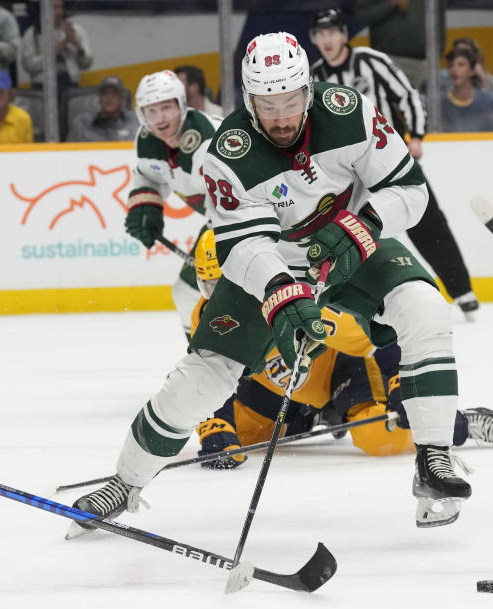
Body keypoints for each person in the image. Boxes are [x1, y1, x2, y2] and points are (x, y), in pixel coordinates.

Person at [70, 32, 472, 534]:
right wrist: (282, 294)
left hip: (352, 240)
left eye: (290, 101)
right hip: (273, 259)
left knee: (425, 308)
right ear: (247, 98)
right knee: (203, 376)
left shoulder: (350, 112)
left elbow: (409, 190)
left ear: (308, 88)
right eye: (267, 104)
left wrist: (366, 223)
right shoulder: (229, 151)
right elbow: (240, 247)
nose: (281, 117)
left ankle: (434, 460)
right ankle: (125, 484)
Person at [187, 230, 493, 468]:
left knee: (379, 438)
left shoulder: (300, 303)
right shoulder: (208, 315)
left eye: (226, 284)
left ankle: (459, 422)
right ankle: (307, 418)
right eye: (210, 285)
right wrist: (214, 423)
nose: (219, 297)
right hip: (281, 390)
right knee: (237, 437)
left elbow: (382, 336)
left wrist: (399, 383)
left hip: (339, 373)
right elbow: (210, 374)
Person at [309, 8, 479, 318]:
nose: (327, 40)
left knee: (428, 222)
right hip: (347, 172)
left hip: (390, 159)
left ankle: (463, 291)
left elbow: (408, 94)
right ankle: (364, 303)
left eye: (332, 32)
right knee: (356, 229)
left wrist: (415, 134)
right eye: (320, 35)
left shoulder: (371, 60)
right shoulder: (315, 76)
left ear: (344, 35)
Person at [121, 69, 223, 338]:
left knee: (199, 292)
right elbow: (148, 175)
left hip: (254, 219)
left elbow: (243, 193)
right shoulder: (148, 142)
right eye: (151, 111)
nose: (160, 119)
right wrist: (146, 206)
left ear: (182, 105)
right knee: (188, 293)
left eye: (166, 108)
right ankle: (205, 359)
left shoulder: (209, 139)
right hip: (219, 222)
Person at [353, 0, 444, 92]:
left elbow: (439, 16)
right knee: (388, 104)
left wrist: (438, 52)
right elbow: (363, 16)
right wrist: (391, 4)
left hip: (422, 63)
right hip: (388, 60)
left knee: (424, 104)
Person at [21, 0, 93, 93]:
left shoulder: (76, 30)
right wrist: (62, 44)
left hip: (71, 86)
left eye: (60, 7)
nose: (59, 12)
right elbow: (29, 65)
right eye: (54, 8)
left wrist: (78, 46)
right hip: (42, 87)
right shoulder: (32, 33)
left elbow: (86, 64)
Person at [440, 47, 493, 133]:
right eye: (451, 65)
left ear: (472, 71)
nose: (455, 69)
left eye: (461, 65)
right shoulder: (440, 104)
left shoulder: (489, 102)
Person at [66, 75, 138, 142]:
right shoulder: (82, 124)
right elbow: (67, 152)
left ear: (122, 99)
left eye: (114, 94)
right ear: (99, 98)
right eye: (105, 93)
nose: (109, 98)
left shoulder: (134, 122)